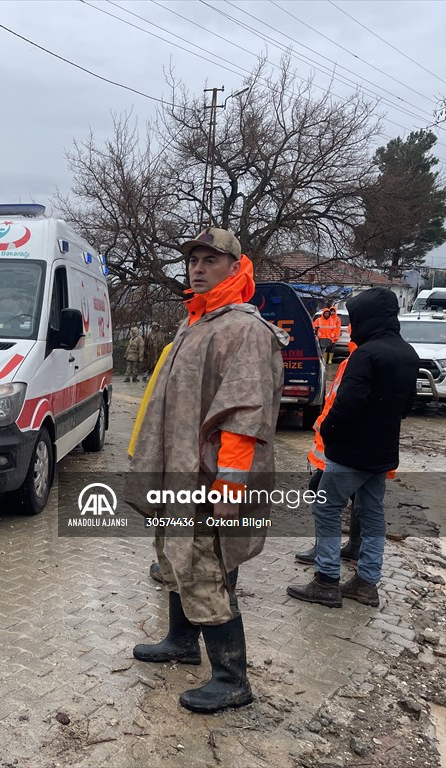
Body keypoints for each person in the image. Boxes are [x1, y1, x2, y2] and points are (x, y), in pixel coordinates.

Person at [127, 227, 286, 714]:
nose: (197, 267)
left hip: (208, 480)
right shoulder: (195, 322)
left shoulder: (243, 330)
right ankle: (180, 641)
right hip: (177, 475)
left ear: (236, 268)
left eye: (210, 259)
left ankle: (232, 678)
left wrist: (228, 488)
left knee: (203, 568)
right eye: (193, 259)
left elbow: (245, 417)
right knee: (174, 557)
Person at [287, 288, 418, 609]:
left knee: (326, 507)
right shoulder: (407, 354)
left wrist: (330, 432)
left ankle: (327, 580)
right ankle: (366, 583)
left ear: (368, 319)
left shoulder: (366, 354)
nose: (350, 326)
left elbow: (348, 403)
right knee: (373, 515)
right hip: (382, 453)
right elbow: (406, 405)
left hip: (350, 452)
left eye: (355, 319)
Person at [293, 340, 362, 566]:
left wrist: (330, 431)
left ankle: (325, 555)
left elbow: (345, 407)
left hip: (341, 448)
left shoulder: (361, 361)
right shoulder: (354, 360)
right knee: (359, 497)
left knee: (321, 492)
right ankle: (353, 547)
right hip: (341, 447)